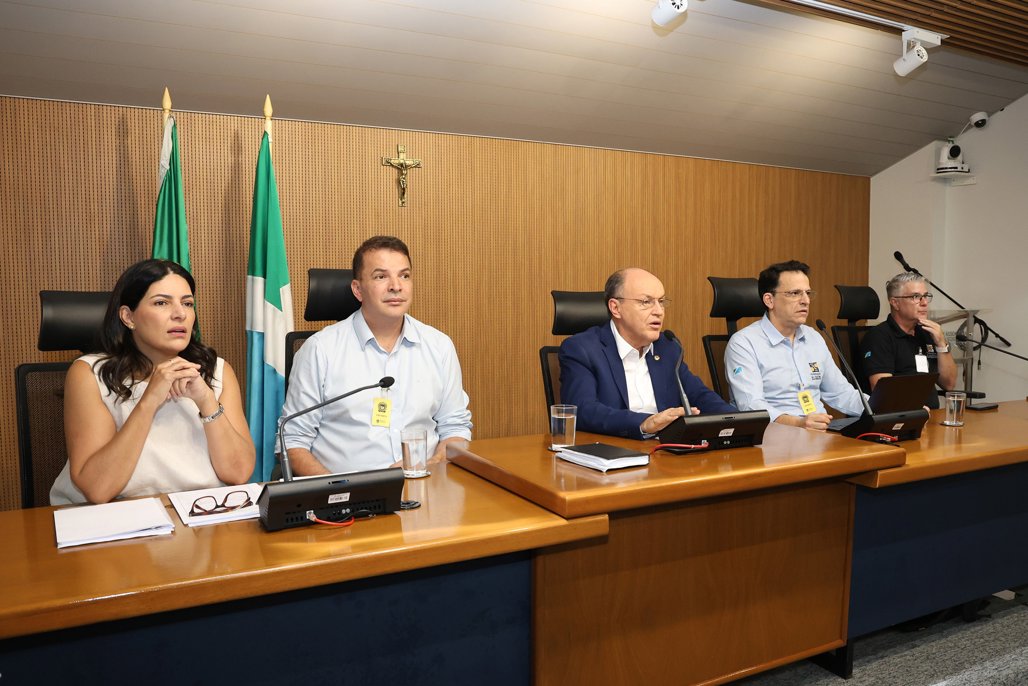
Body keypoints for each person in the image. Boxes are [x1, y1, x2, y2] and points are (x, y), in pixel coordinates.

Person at [51, 260, 255, 505]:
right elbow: (98, 489)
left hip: (200, 511)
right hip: (118, 515)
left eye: (187, 303)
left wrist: (207, 401)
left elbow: (239, 474)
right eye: (161, 303)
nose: (180, 314)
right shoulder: (91, 374)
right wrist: (149, 401)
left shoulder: (216, 371)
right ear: (128, 317)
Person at [281, 236, 472, 475]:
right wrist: (342, 490)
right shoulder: (320, 350)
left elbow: (455, 428)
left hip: (425, 485)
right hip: (350, 493)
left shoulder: (439, 346)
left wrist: (431, 466)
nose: (396, 286)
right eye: (381, 277)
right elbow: (293, 441)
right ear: (357, 290)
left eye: (404, 275)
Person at [558, 267, 735, 440]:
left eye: (661, 301)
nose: (658, 311)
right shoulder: (582, 349)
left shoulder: (668, 347)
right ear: (615, 308)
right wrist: (644, 423)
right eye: (646, 302)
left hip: (664, 450)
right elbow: (583, 410)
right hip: (612, 449)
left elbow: (700, 396)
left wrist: (736, 420)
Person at [725, 260, 865, 431]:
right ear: (769, 300)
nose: (805, 301)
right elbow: (751, 405)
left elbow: (842, 393)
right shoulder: (744, 343)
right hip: (774, 435)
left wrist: (882, 407)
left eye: (808, 293)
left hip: (820, 433)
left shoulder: (814, 337)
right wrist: (798, 423)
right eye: (795, 293)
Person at [860, 272, 957, 408]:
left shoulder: (927, 333)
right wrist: (914, 410)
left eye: (925, 296)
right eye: (916, 297)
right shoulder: (879, 337)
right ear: (895, 303)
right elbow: (883, 392)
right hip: (902, 416)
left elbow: (949, 384)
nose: (924, 303)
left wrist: (941, 344)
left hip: (932, 415)